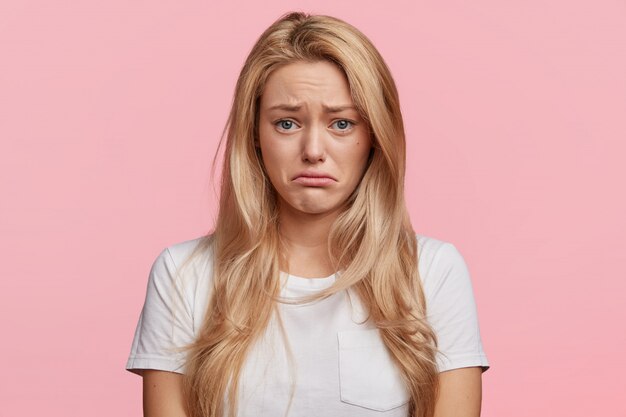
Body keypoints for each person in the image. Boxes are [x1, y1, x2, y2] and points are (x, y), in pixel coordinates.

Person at [125, 11, 490, 417]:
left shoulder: (433, 272)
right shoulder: (183, 275)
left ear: (374, 137)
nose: (313, 150)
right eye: (286, 123)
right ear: (255, 136)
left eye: (341, 123)